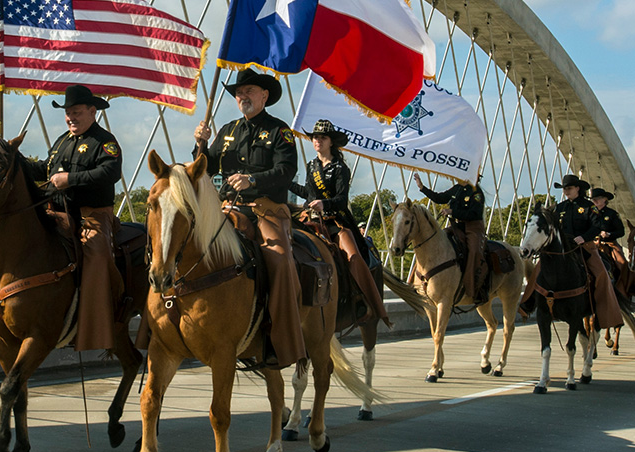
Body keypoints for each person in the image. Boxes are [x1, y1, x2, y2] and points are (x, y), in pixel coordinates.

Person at [194, 68, 304, 368]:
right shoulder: (227, 131)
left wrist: (253, 180)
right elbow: (203, 168)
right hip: (227, 209)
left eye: (249, 91)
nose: (242, 96)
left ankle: (277, 338)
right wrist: (200, 144)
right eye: (239, 93)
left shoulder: (280, 132)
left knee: (280, 260)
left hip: (266, 211)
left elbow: (286, 170)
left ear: (264, 96)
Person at [29, 84, 124, 351]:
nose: (71, 117)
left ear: (92, 111)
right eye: (68, 112)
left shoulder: (105, 142)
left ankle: (93, 326)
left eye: (76, 112)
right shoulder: (61, 142)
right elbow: (44, 169)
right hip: (56, 213)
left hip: (91, 218)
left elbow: (110, 172)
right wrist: (13, 160)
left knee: (95, 253)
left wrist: (70, 179)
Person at [289, 119, 390, 326]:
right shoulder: (311, 166)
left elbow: (342, 200)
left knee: (353, 256)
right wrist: (287, 184)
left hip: (335, 220)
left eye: (322, 137)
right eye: (315, 137)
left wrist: (324, 204)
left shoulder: (340, 168)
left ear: (331, 142)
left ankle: (366, 301)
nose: (317, 140)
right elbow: (307, 194)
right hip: (311, 219)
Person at [549, 175, 623, 329]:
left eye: (569, 188)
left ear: (577, 188)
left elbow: (597, 226)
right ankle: (528, 305)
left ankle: (606, 310)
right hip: (564, 248)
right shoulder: (559, 207)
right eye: (564, 189)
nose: (566, 191)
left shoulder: (589, 207)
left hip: (585, 246)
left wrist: (583, 237)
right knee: (539, 270)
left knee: (602, 273)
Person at [413, 171, 487, 304]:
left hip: (473, 227)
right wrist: (422, 187)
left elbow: (474, 214)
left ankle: (474, 287)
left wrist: (453, 211)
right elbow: (440, 198)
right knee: (435, 241)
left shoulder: (476, 193)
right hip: (457, 226)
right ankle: (415, 282)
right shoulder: (457, 189)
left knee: (474, 251)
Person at [590, 187, 629, 296]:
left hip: (608, 244)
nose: (595, 201)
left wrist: (609, 234)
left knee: (622, 263)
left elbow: (621, 231)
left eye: (597, 198)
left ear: (604, 199)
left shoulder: (612, 214)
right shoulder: (590, 213)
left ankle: (625, 289)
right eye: (593, 199)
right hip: (592, 244)